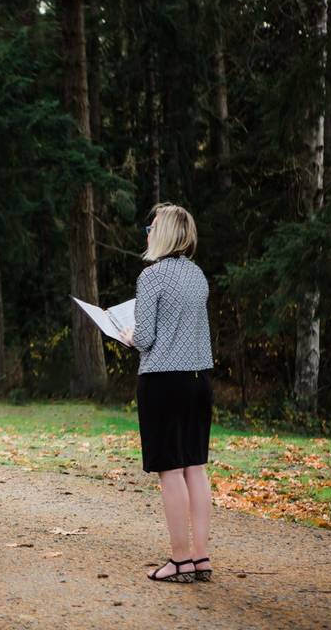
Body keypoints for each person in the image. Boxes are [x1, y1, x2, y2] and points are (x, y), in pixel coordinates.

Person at [118, 204, 215, 583]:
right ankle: (201, 557)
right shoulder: (198, 275)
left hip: (163, 379)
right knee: (195, 466)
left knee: (170, 470)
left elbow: (145, 338)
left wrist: (127, 336)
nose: (147, 231)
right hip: (198, 378)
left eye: (152, 226)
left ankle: (179, 560)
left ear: (166, 233)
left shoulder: (152, 276)